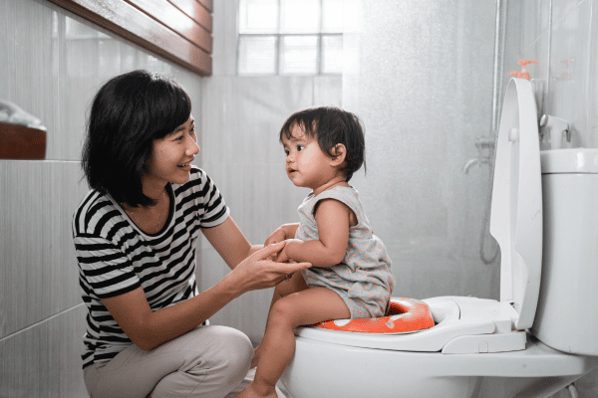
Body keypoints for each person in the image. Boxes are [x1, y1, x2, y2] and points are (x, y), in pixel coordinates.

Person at [72, 69, 311, 398]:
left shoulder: (194, 186)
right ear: (135, 145)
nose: (194, 148)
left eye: (192, 130)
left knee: (274, 391)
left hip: (186, 350)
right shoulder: (98, 219)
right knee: (233, 349)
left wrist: (310, 243)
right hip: (117, 365)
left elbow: (243, 257)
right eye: (179, 137)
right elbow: (144, 332)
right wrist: (233, 286)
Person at [236, 106, 396, 398]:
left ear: (336, 154)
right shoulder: (326, 196)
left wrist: (291, 247)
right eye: (286, 150)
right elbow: (319, 231)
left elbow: (331, 252)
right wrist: (287, 231)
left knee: (285, 310)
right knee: (286, 285)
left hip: (357, 292)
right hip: (344, 284)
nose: (290, 158)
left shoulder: (333, 201)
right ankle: (267, 349)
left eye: (299, 147)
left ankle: (262, 389)